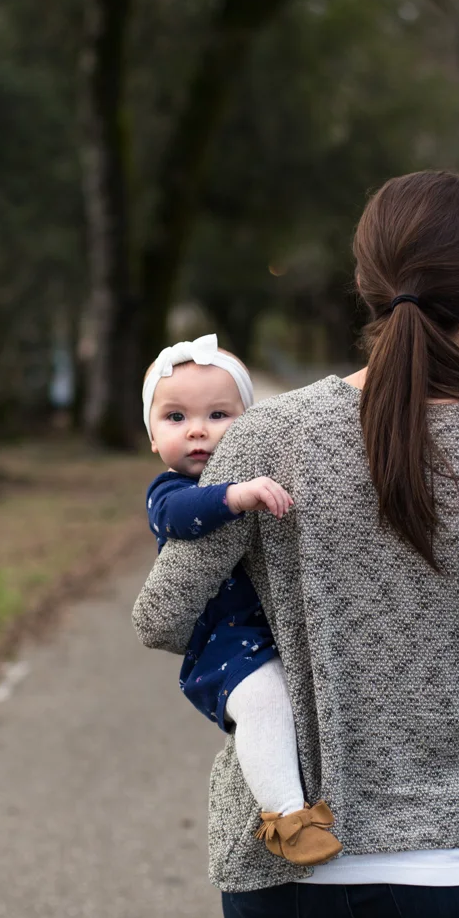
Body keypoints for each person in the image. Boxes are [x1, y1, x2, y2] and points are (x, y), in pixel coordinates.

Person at [134, 170, 459, 918]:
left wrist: (271, 649)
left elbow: (164, 616)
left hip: (294, 862)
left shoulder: (272, 434)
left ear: (365, 288)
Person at [142, 333, 342, 866]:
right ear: (153, 437)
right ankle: (286, 818)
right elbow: (183, 519)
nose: (199, 430)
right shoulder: (169, 491)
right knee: (265, 701)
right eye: (176, 417)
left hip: (269, 630)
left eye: (219, 414)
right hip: (223, 644)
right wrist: (236, 496)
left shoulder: (253, 471)